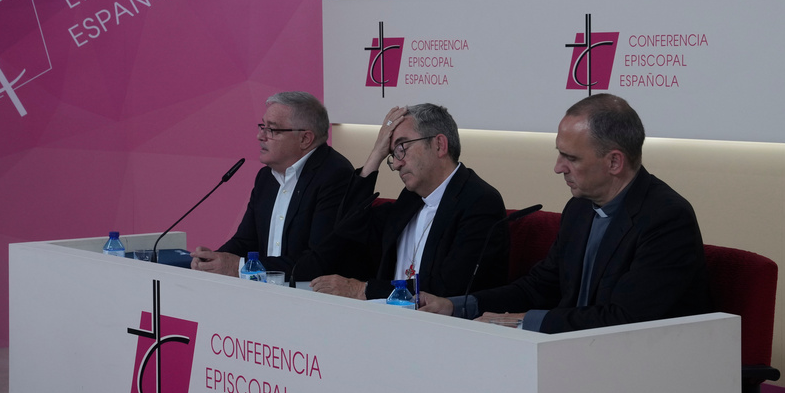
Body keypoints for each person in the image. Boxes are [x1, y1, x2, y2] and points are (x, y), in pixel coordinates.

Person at [419, 93, 708, 334]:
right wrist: (457, 305)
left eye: (570, 158)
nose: (558, 167)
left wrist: (524, 321)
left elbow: (624, 319)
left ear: (615, 162)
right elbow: (540, 287)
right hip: (571, 352)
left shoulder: (666, 218)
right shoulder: (579, 209)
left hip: (639, 366)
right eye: (560, 154)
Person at [310, 103, 509, 300]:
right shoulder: (410, 198)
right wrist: (376, 154)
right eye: (392, 154)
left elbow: (448, 288)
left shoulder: (480, 202)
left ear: (439, 145)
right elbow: (347, 228)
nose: (396, 164)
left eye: (402, 148)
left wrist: (364, 290)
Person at [190, 91, 353, 280]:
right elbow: (246, 241)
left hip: (312, 297)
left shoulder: (335, 175)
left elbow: (318, 262)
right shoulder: (266, 177)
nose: (260, 136)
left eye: (272, 130)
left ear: (305, 139)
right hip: (265, 292)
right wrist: (214, 260)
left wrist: (239, 267)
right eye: (262, 126)